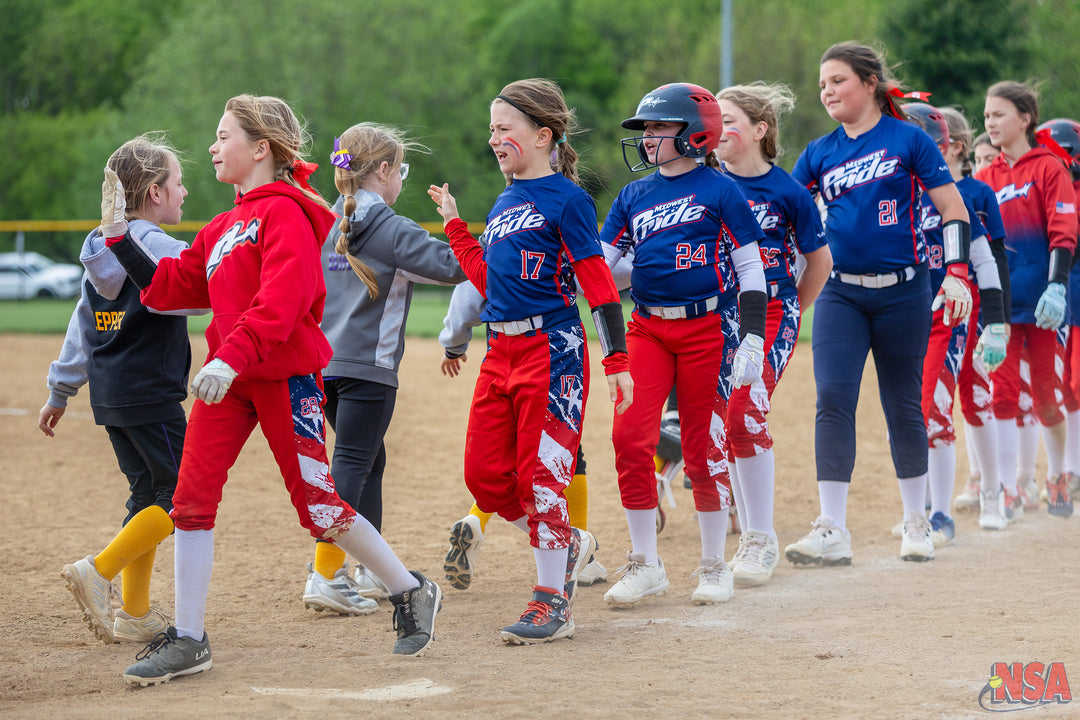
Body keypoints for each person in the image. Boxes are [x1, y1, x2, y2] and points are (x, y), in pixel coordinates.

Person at [105, 95, 441, 686]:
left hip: (280, 374)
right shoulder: (225, 224)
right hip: (230, 381)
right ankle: (188, 637)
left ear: (261, 149)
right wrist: (119, 240)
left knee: (319, 507)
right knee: (190, 501)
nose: (212, 147)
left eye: (223, 135)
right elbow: (170, 288)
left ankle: (410, 591)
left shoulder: (286, 212)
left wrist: (231, 357)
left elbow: (283, 302)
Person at [427, 78, 633, 644]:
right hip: (502, 350)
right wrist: (453, 222)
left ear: (543, 136)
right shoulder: (504, 201)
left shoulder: (568, 199)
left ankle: (552, 602)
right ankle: (566, 542)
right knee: (486, 477)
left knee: (544, 479)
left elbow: (597, 284)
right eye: (491, 129)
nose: (493, 138)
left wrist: (616, 359)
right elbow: (489, 280)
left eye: (504, 128)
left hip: (553, 350)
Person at [785, 41, 975, 565]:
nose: (827, 91)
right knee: (833, 399)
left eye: (838, 80)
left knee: (903, 404)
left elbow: (953, 210)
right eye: (822, 84)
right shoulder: (819, 152)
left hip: (904, 291)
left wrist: (956, 272)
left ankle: (917, 520)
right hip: (841, 292)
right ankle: (832, 528)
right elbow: (782, 212)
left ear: (869, 83)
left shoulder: (909, 140)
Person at [599, 82, 768, 607]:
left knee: (701, 446)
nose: (647, 138)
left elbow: (751, 271)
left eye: (658, 128)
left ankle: (714, 563)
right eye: (645, 129)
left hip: (706, 331)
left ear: (695, 134)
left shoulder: (721, 190)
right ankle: (645, 562)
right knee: (630, 440)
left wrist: (754, 338)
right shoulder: (633, 195)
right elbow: (602, 266)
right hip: (648, 328)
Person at [40, 135, 201, 645]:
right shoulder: (155, 245)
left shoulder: (98, 249)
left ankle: (134, 612)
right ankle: (98, 569)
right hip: (152, 391)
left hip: (111, 394)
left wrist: (61, 388)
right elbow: (195, 290)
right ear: (154, 193)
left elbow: (82, 323)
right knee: (181, 499)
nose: (184, 193)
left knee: (147, 495)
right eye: (178, 184)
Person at [302, 122, 466, 615]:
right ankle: (325, 572)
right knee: (352, 462)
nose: (402, 181)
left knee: (368, 459)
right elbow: (457, 267)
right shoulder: (392, 226)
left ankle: (370, 566)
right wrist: (463, 225)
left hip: (323, 366)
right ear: (383, 171)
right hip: (369, 370)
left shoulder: (324, 221)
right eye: (401, 170)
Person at [713, 82, 833, 586]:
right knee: (724, 423)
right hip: (717, 314)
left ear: (760, 130)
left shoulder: (788, 192)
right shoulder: (705, 184)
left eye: (728, 119)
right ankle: (748, 534)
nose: (716, 129)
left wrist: (788, 315)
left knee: (745, 409)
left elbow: (819, 263)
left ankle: (761, 537)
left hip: (771, 314)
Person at [438, 278, 607, 590]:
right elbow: (595, 275)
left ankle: (477, 518)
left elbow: (469, 291)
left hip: (502, 349)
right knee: (560, 454)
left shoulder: (498, 231)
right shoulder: (552, 230)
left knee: (508, 454)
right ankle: (577, 550)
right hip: (552, 348)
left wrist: (454, 341)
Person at [901, 103, 1008, 541]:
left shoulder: (960, 196)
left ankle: (973, 501)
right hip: (907, 317)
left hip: (954, 315)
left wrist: (997, 323)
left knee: (960, 405)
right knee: (913, 410)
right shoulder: (893, 195)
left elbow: (987, 259)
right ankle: (921, 505)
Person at [976, 82, 1077, 519]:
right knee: (999, 394)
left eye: (999, 115)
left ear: (1025, 119)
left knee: (1045, 397)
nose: (991, 123)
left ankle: (1057, 474)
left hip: (1044, 303)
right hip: (1000, 304)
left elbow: (1064, 233)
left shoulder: (1049, 168)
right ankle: (1004, 490)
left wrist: (1057, 285)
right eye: (986, 117)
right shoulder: (985, 177)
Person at [953, 130, 1008, 512]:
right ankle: (922, 507)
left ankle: (993, 487)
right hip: (924, 307)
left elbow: (995, 257)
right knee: (920, 403)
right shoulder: (907, 189)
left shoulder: (975, 192)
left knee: (974, 395)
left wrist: (996, 320)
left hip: (970, 305)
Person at [1036, 118, 1080, 498]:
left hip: (1069, 292)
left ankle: (1071, 469)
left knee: (1074, 383)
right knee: (1063, 384)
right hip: (1062, 294)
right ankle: (1068, 470)